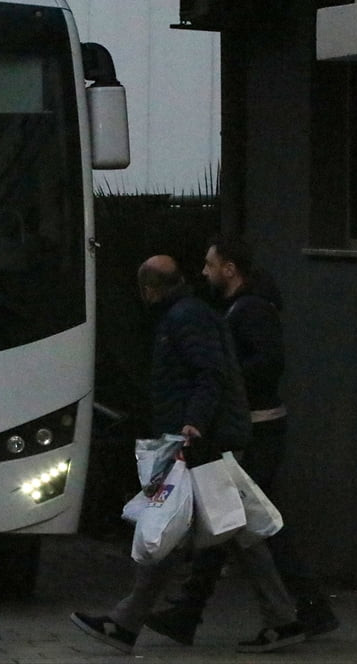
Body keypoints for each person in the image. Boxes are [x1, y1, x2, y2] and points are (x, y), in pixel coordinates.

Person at [70, 255, 307, 655]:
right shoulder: (187, 314)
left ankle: (126, 623)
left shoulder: (184, 319)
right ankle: (282, 618)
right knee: (224, 528)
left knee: (171, 522)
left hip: (199, 441)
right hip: (201, 439)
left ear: (149, 289)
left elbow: (209, 373)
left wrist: (192, 424)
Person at [143, 236, 338, 644]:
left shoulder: (249, 310)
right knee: (236, 520)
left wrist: (230, 389)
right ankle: (193, 611)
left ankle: (303, 608)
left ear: (230, 269)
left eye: (210, 264)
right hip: (254, 426)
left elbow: (267, 362)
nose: (204, 272)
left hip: (258, 428)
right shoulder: (238, 309)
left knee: (251, 522)